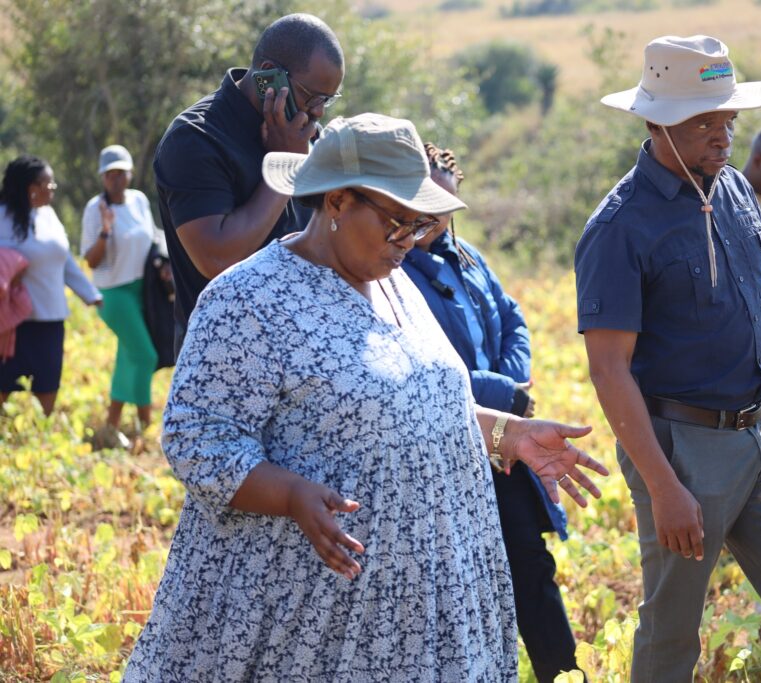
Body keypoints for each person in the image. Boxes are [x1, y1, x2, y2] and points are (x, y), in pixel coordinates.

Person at [123, 114, 608, 682]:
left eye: (420, 225)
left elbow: (414, 406)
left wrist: (508, 434)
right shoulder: (249, 299)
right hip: (310, 611)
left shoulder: (394, 282)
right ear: (337, 200)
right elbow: (197, 439)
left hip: (419, 606)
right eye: (397, 223)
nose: (410, 242)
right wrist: (292, 495)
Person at [575, 35, 761, 682]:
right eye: (703, 121)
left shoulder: (734, 188)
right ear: (657, 123)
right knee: (673, 629)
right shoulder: (620, 227)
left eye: (728, 119)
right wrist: (663, 486)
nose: (723, 134)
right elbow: (609, 370)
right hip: (684, 451)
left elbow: (757, 302)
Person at [401, 143, 578, 681]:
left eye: (446, 205)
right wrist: (504, 392)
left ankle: (563, 673)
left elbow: (512, 317)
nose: (434, 216)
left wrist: (514, 382)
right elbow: (419, 367)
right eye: (424, 202)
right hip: (445, 447)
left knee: (530, 565)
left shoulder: (468, 257)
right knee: (458, 581)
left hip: (504, 442)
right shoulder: (389, 270)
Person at [153, 13, 344, 351]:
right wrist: (284, 166)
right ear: (268, 75)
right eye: (312, 96)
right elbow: (217, 259)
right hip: (223, 355)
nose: (318, 112)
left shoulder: (304, 135)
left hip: (301, 348)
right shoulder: (195, 138)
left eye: (326, 100)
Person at [0, 155, 102, 415]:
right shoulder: (3, 217)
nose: (53, 188)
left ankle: (42, 431)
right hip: (11, 322)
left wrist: (89, 293)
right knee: (4, 383)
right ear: (31, 188)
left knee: (47, 382)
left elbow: (64, 259)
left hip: (50, 319)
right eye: (49, 183)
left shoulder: (49, 216)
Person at [81, 145, 160, 445]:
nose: (116, 179)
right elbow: (91, 261)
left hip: (141, 290)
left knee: (128, 356)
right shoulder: (95, 209)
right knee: (145, 355)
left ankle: (112, 425)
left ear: (130, 174)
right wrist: (106, 230)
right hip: (113, 294)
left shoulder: (139, 200)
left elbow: (152, 237)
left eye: (121, 172)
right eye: (110, 174)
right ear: (103, 177)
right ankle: (144, 426)